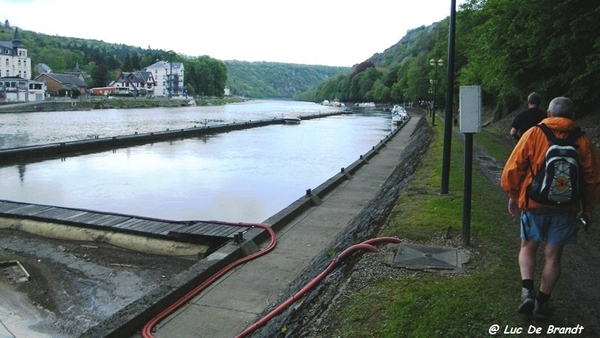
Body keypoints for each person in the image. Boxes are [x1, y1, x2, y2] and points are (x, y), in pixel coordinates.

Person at [500, 97, 600, 318]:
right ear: (572, 116)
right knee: (553, 256)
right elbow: (592, 179)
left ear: (548, 113)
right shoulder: (582, 140)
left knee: (527, 247)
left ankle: (527, 290)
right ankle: (542, 302)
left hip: (534, 204)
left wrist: (513, 194)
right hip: (566, 207)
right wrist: (589, 209)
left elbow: (514, 168)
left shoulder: (535, 134)